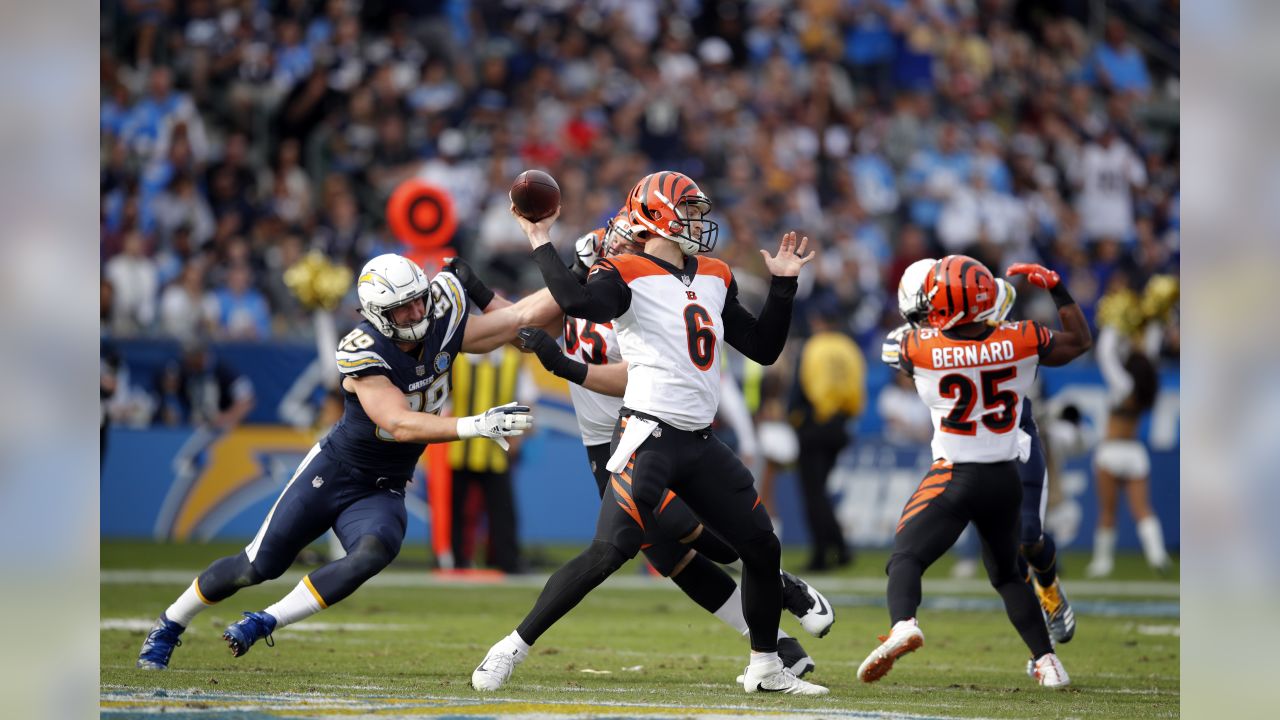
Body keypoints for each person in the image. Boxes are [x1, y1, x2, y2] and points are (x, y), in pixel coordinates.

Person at [471, 172, 828, 695]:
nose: (700, 222)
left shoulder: (714, 272)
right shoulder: (622, 272)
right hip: (646, 433)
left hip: (699, 440)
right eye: (688, 211)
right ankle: (511, 647)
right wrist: (538, 236)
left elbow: (764, 347)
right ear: (654, 218)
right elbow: (571, 303)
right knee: (612, 550)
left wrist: (784, 285)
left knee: (759, 545)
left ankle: (767, 667)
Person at [136, 253, 558, 669]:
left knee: (373, 552)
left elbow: (520, 318)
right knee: (256, 566)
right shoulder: (363, 348)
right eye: (402, 307)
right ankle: (171, 622)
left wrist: (571, 276)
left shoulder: (441, 313)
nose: (416, 311)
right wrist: (477, 425)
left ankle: (265, 621)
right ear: (376, 314)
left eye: (418, 299)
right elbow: (399, 423)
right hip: (334, 472)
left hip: (386, 485)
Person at [859, 255, 1091, 689]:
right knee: (1006, 574)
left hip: (956, 475)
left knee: (906, 556)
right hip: (1004, 476)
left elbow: (899, 344)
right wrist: (1057, 289)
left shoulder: (918, 348)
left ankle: (903, 624)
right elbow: (1078, 342)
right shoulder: (1022, 338)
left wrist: (925, 315)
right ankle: (1048, 663)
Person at [1086, 278, 1171, 577]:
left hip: (1110, 451)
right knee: (1143, 508)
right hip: (1135, 452)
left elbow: (1106, 355)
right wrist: (1155, 320)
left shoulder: (1123, 386)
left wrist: (1115, 320)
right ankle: (1158, 555)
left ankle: (1102, 563)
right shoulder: (1148, 388)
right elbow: (1149, 354)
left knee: (1108, 512)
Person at [788, 302, 865, 571]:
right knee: (819, 491)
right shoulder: (849, 348)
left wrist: (793, 417)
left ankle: (824, 553)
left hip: (813, 426)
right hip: (840, 425)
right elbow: (857, 389)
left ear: (818, 321)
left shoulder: (813, 347)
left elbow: (800, 389)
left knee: (813, 494)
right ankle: (840, 548)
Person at [448, 344, 535, 574]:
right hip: (459, 449)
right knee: (456, 510)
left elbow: (527, 402)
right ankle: (456, 561)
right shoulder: (457, 360)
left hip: (497, 450)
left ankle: (507, 561)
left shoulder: (512, 360)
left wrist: (518, 437)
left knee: (503, 510)